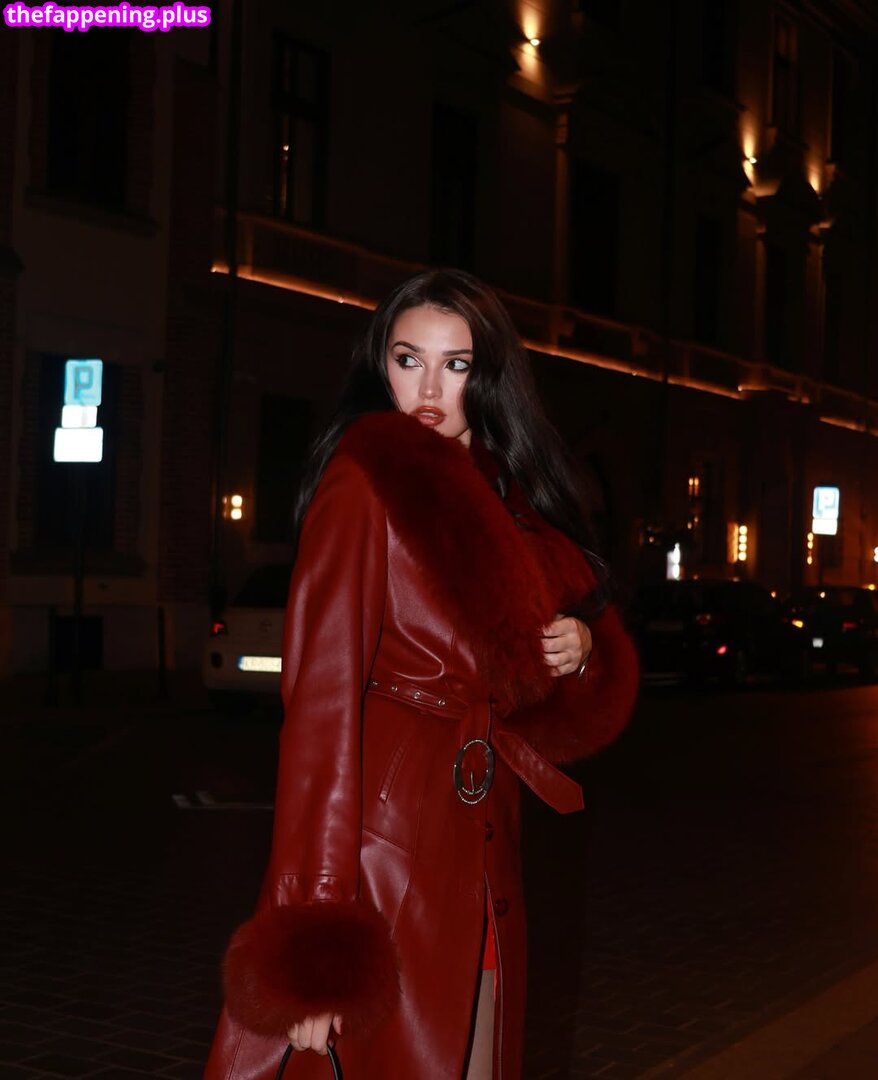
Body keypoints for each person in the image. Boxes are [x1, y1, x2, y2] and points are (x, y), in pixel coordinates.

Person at [204, 269, 639, 1080]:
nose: (429, 388)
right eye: (408, 360)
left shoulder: (511, 498)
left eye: (456, 364)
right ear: (382, 365)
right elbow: (321, 714)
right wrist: (317, 936)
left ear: (489, 376)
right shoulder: (364, 483)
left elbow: (554, 709)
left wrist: (581, 646)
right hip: (385, 845)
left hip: (485, 832)